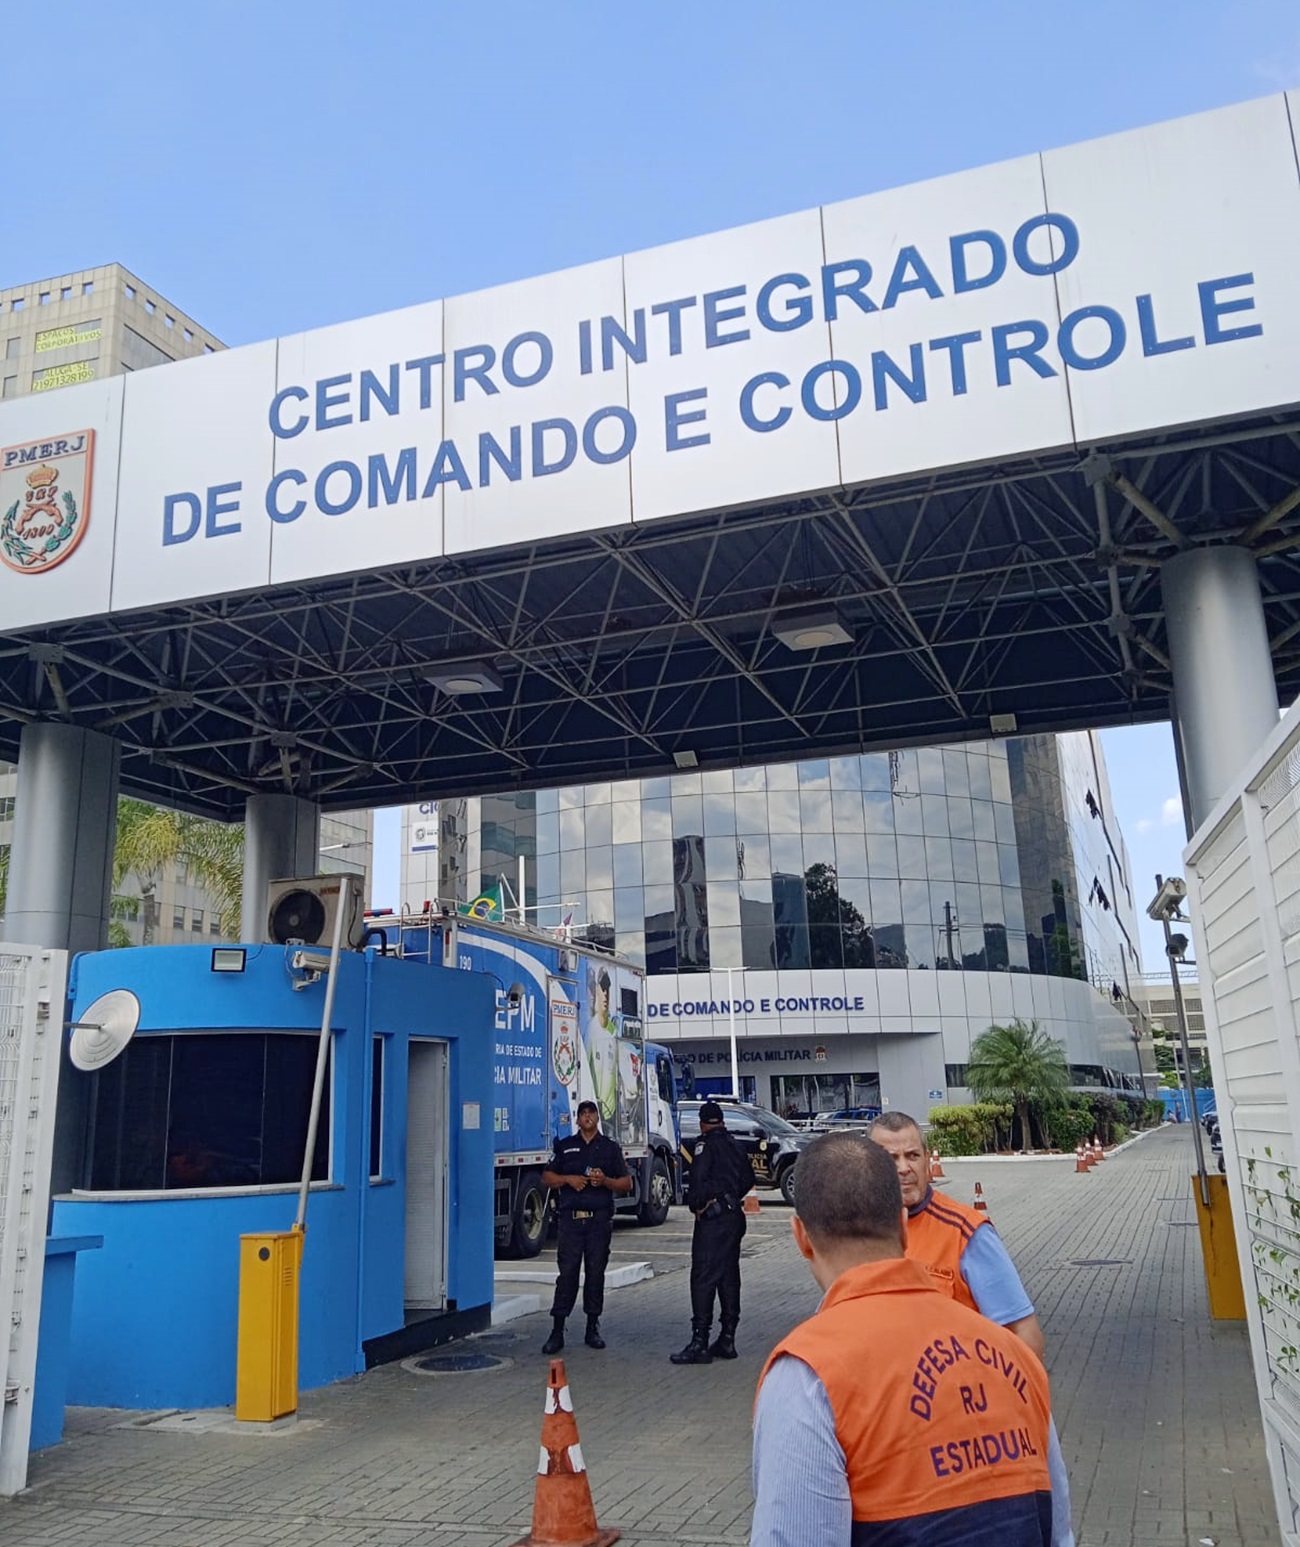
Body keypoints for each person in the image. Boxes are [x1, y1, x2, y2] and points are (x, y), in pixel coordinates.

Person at [752, 1132, 1063, 1546]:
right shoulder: (1015, 1359)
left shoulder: (807, 1374)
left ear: (801, 1237)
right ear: (903, 1226)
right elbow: (1058, 1530)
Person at [869, 1111, 1073, 1546]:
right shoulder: (862, 1237)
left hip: (961, 1442)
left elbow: (1025, 1337)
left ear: (928, 1160)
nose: (903, 1168)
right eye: (889, 1158)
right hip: (897, 1444)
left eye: (912, 1155)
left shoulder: (966, 1232)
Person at [540, 1098, 631, 1353]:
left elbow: (626, 1184)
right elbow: (546, 1177)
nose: (587, 1117)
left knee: (595, 1273)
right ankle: (557, 1330)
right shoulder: (566, 1146)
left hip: (598, 1222)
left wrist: (605, 1181)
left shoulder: (609, 1148)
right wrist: (568, 1179)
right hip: (571, 1221)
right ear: (578, 1119)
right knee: (567, 1274)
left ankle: (593, 1327)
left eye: (591, 1113)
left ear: (597, 1118)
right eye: (583, 1113)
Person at [670, 1100, 753, 1364]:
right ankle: (728, 1338)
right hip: (734, 1216)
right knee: (728, 1276)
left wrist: (698, 1204)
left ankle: (700, 1342)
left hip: (713, 1221)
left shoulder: (704, 1145)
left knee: (703, 1277)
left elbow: (697, 1180)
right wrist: (731, 1196)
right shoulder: (735, 1144)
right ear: (723, 1121)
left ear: (702, 1123)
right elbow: (749, 1178)